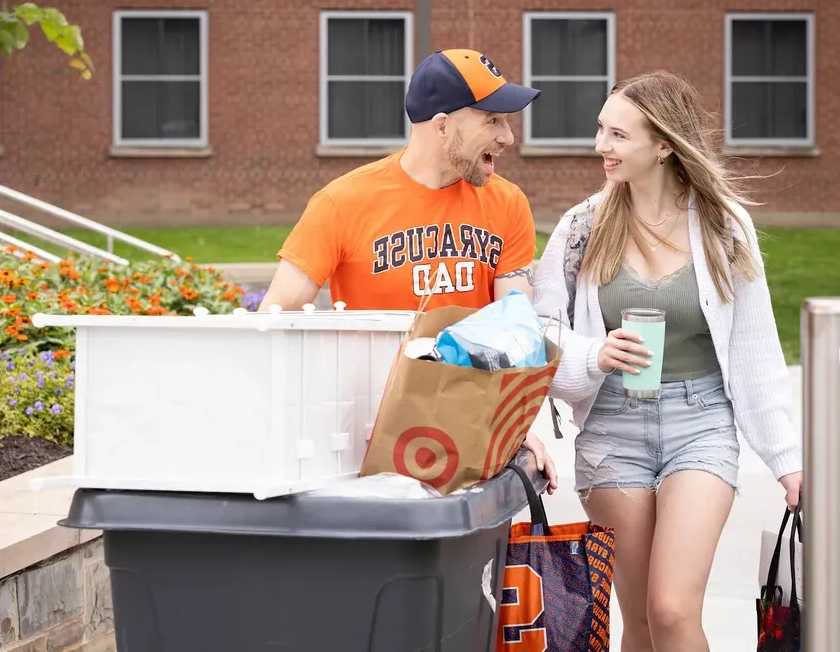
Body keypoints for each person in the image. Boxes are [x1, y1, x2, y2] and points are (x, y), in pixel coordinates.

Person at [533, 70, 802, 652]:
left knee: (673, 610)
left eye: (618, 135)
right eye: (601, 130)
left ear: (663, 145)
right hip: (612, 428)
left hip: (700, 423)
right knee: (640, 622)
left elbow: (756, 347)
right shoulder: (582, 228)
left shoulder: (723, 225)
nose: (601, 146)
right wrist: (594, 355)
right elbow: (542, 335)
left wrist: (787, 459)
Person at [260, 47, 557, 491]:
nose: (508, 137)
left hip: (471, 434)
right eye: (492, 120)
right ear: (443, 125)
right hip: (366, 435)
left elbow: (518, 336)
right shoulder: (342, 203)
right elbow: (274, 321)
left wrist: (513, 430)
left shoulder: (507, 203)